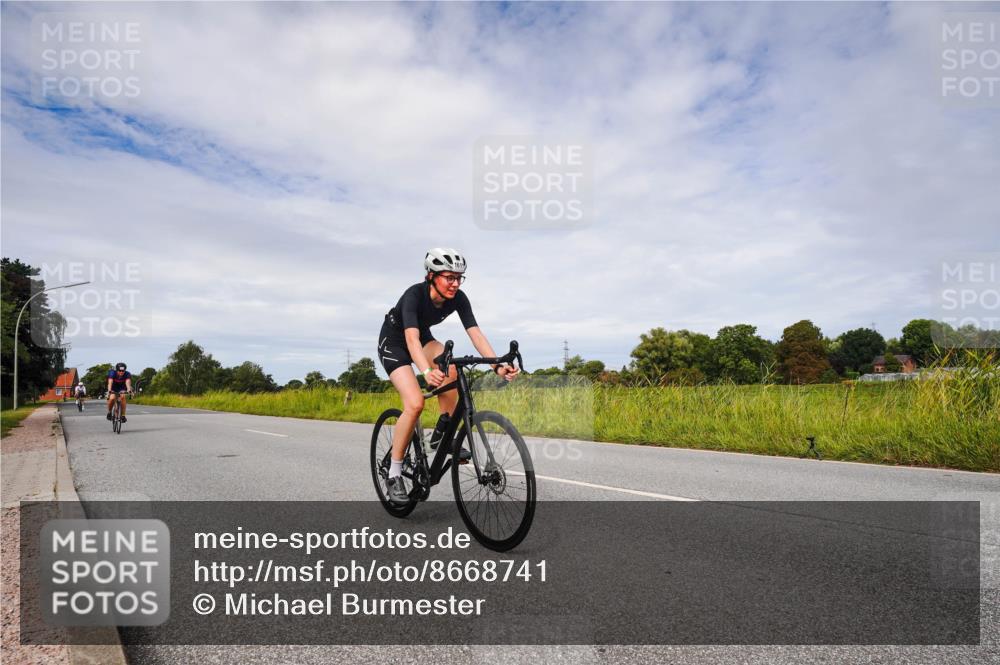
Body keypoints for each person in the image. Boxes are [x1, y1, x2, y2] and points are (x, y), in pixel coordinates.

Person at [377, 248, 518, 504]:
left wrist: (497, 366)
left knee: (451, 367)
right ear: (432, 276)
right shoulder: (414, 295)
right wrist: (426, 372)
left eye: (459, 278)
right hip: (395, 342)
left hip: (423, 339)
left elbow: (475, 334)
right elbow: (411, 339)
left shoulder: (458, 299)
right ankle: (394, 473)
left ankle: (442, 434)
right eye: (449, 277)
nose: (455, 283)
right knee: (415, 404)